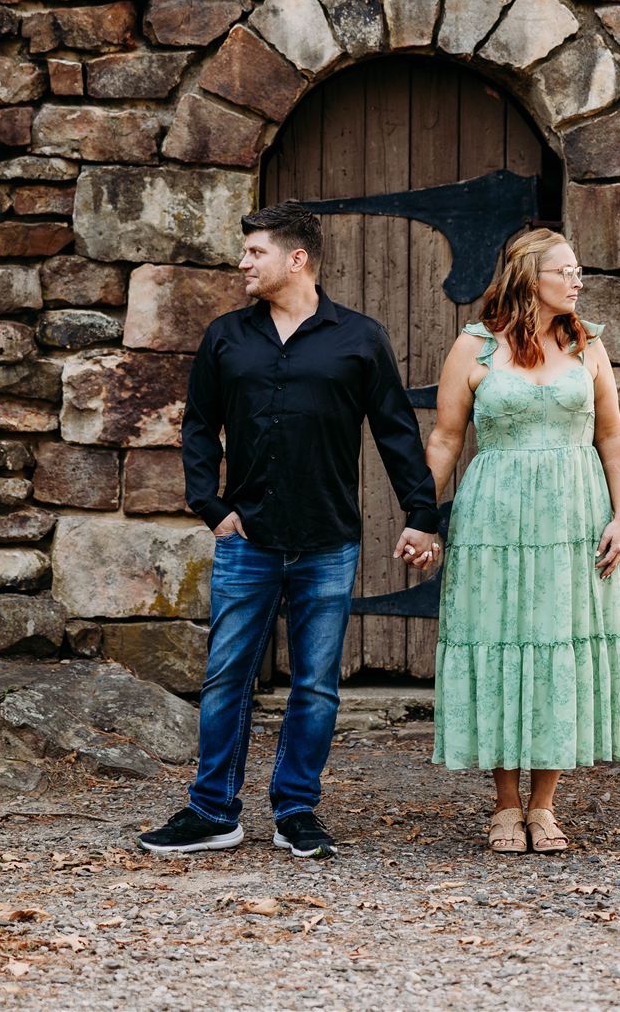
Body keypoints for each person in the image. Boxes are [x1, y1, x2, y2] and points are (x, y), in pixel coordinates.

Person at [138, 201, 441, 860]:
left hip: (328, 542)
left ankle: (296, 810)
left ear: (295, 258)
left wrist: (423, 513)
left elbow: (395, 431)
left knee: (316, 684)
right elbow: (197, 428)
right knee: (226, 678)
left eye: (255, 252)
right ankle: (213, 810)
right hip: (246, 540)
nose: (243, 262)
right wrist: (207, 503)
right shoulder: (226, 337)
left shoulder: (359, 338)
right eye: (245, 252)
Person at [419, 229, 620, 855]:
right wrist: (422, 516)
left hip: (575, 513)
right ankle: (505, 804)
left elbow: (613, 437)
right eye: (565, 271)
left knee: (557, 644)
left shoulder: (588, 344)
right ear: (527, 277)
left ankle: (544, 805)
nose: (577, 281)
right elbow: (445, 440)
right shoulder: (475, 347)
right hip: (495, 519)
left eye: (578, 270)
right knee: (502, 639)